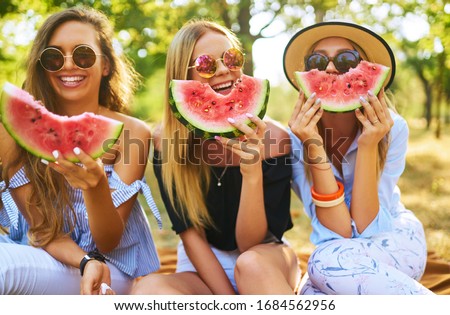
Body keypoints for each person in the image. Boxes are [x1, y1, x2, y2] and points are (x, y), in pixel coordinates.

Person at [131, 19, 300, 295]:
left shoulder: (276, 139)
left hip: (267, 256)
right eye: (206, 65)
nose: (224, 70)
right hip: (202, 263)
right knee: (149, 289)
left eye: (231, 59)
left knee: (251, 264)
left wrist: (252, 171)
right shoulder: (165, 141)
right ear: (183, 78)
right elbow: (190, 234)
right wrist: (227, 300)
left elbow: (249, 245)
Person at [0, 7, 162, 295]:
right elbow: (41, 230)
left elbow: (108, 241)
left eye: (83, 54)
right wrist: (83, 260)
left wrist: (96, 186)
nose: (69, 65)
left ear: (106, 65)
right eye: (54, 56)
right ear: (42, 65)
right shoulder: (11, 132)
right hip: (45, 253)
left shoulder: (132, 133)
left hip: (110, 267)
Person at [283, 21, 434, 295]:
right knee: (309, 295)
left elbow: (365, 226)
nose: (329, 69)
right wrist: (313, 145)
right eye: (317, 61)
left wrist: (368, 145)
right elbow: (337, 230)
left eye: (346, 60)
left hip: (394, 238)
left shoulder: (392, 129)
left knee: (321, 263)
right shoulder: (295, 139)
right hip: (336, 248)